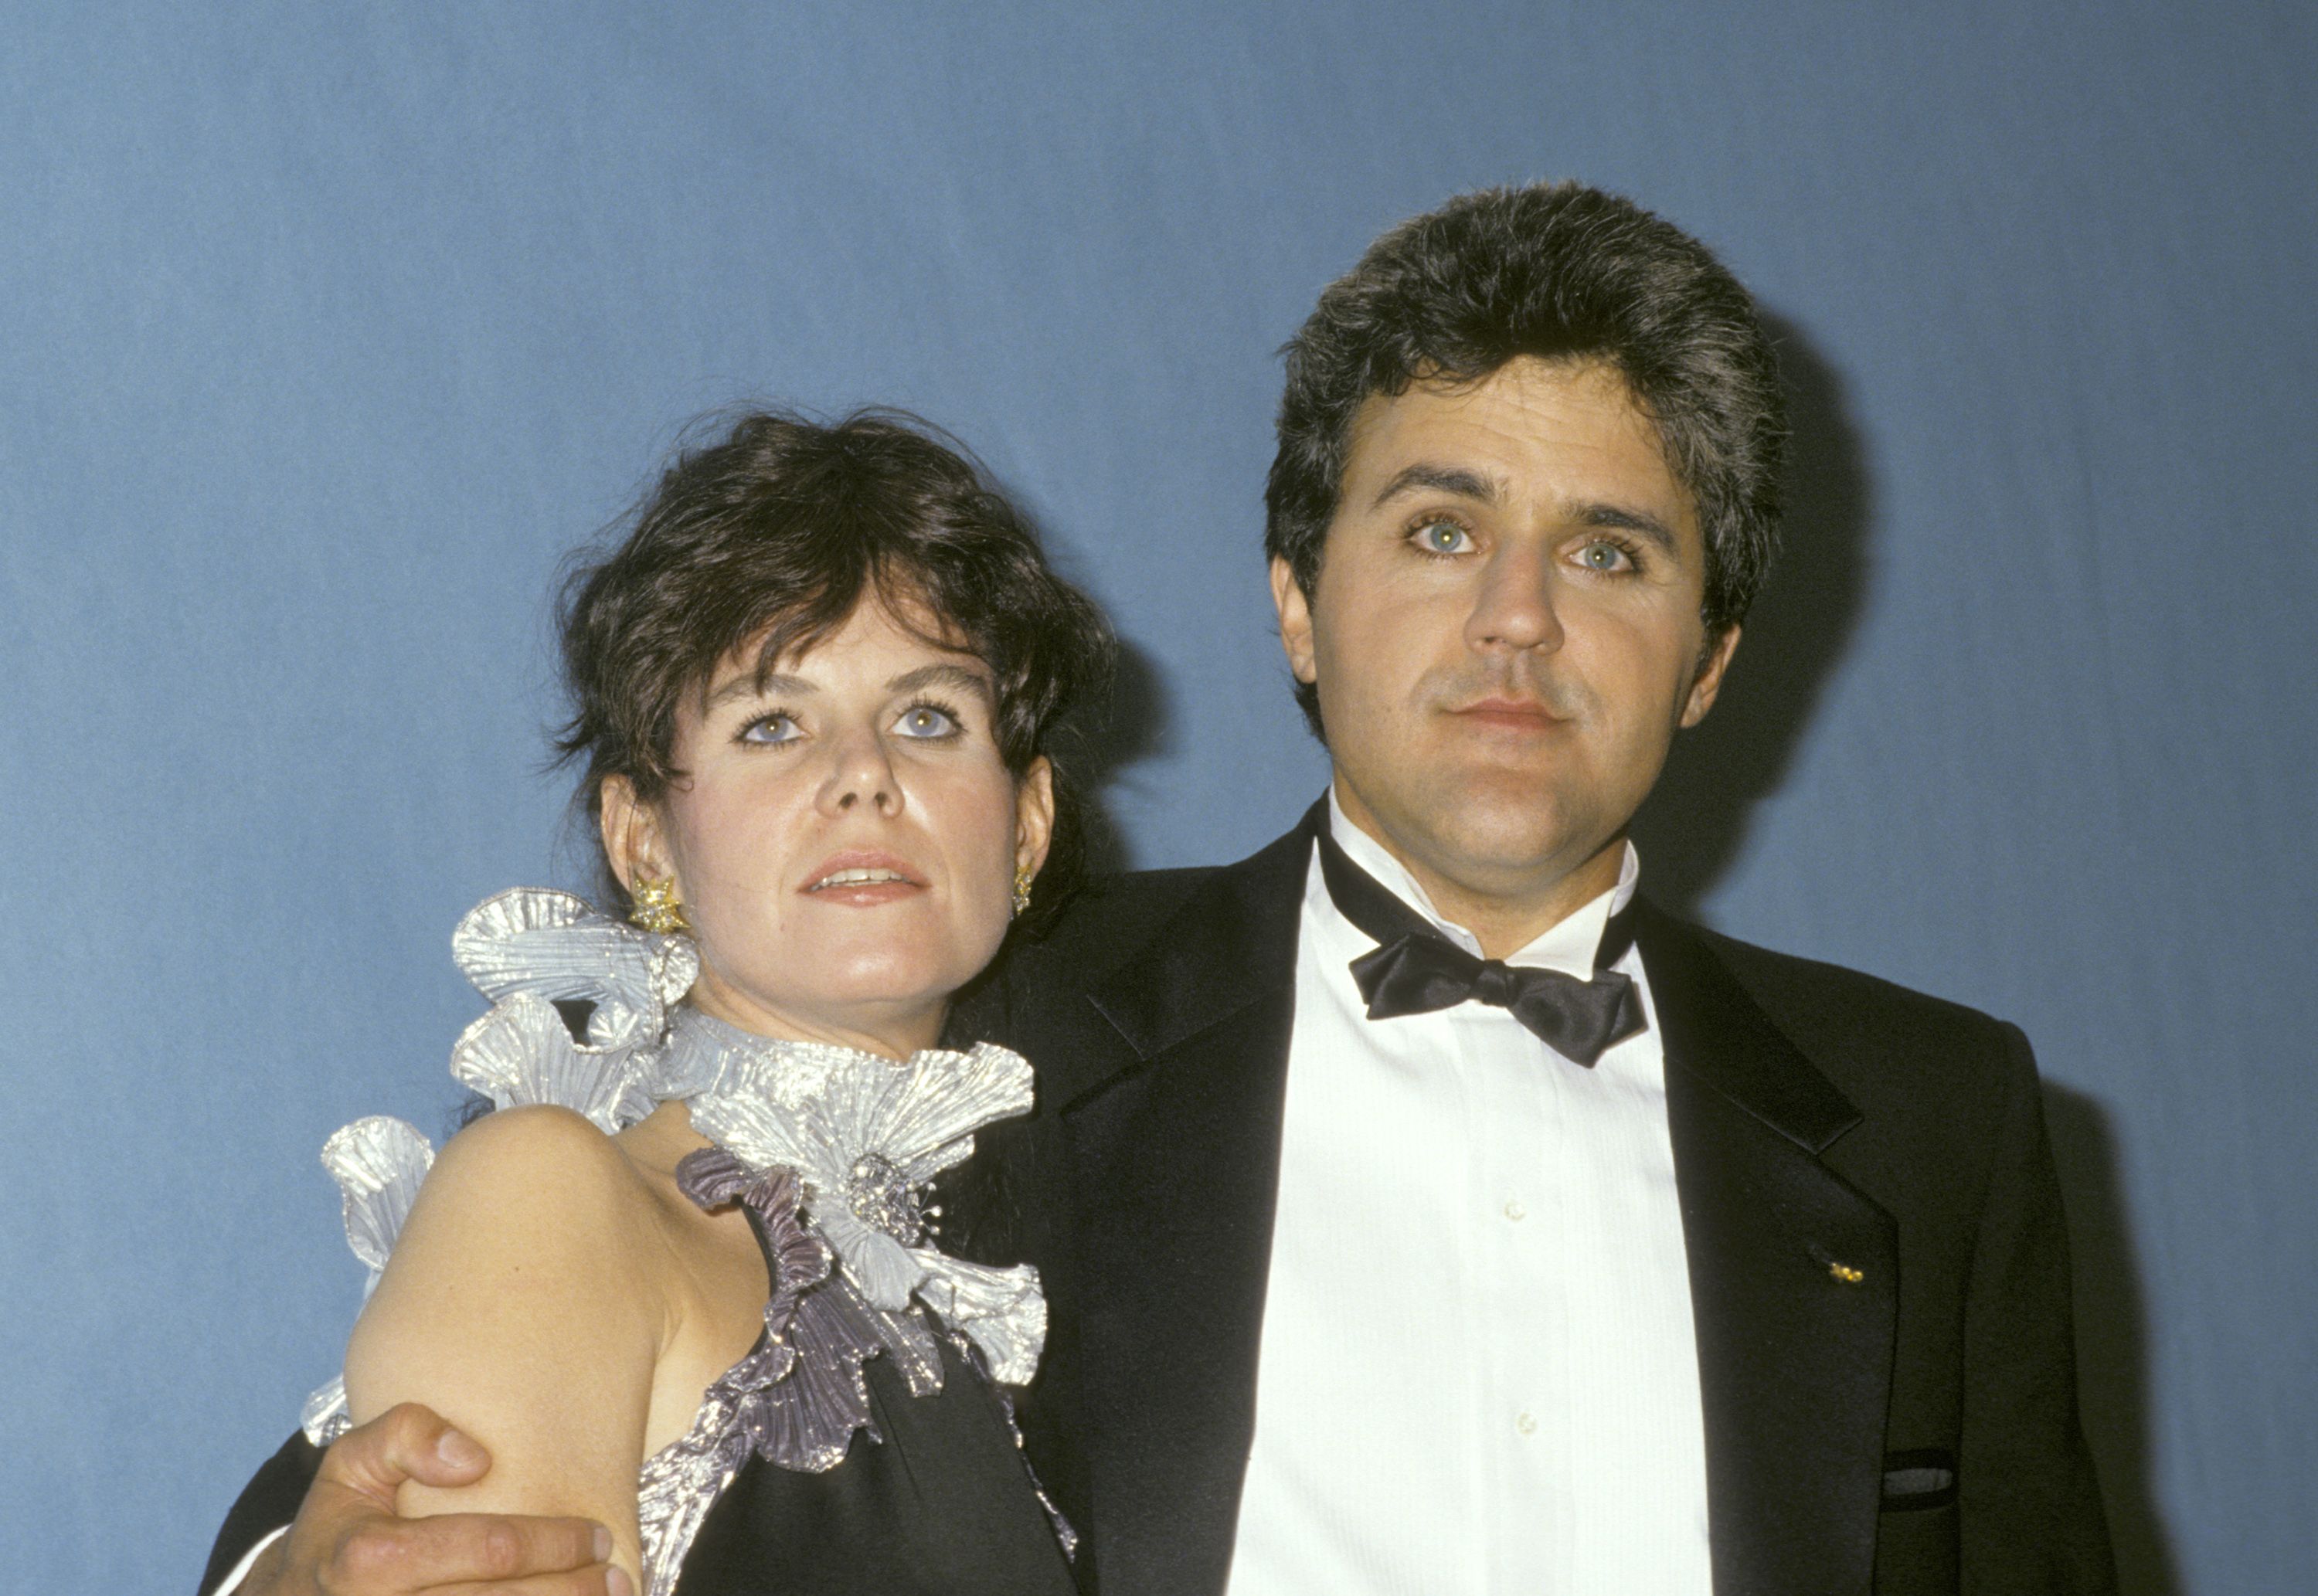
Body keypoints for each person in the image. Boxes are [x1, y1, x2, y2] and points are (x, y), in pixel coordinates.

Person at [210, 181, 2117, 1596]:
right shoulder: (978, 1030)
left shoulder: (1938, 1125)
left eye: (1611, 554)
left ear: (1709, 654)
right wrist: (288, 1576)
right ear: (1298, 597)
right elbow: (476, 1406)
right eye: (1440, 528)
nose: (1516, 622)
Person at [199, 409, 1110, 1596]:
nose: (866, 775)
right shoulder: (549, 1191)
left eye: (928, 716)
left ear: (1028, 823)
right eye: (772, 723)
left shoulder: (1037, 1244)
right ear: (644, 840)